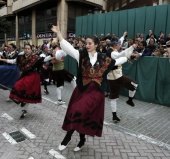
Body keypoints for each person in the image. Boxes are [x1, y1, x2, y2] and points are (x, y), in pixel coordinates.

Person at [50, 23, 135, 152]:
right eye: (86, 43)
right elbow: (68, 48)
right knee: (81, 115)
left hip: (95, 92)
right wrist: (59, 34)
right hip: (82, 90)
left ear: (96, 44)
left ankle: (67, 138)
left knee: (77, 111)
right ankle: (82, 140)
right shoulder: (81, 55)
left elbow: (117, 61)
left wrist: (127, 55)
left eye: (90, 43)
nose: (87, 45)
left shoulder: (103, 58)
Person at [0, 44, 44, 119]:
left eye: (28, 49)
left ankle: (24, 110)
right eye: (25, 48)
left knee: (28, 92)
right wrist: (2, 59)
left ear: (31, 49)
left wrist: (52, 56)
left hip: (33, 77)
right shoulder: (20, 57)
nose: (27, 50)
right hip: (24, 75)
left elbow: (44, 60)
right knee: (17, 86)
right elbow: (13, 61)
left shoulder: (36, 57)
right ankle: (21, 103)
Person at [106, 32, 138, 122]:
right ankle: (130, 100)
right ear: (115, 45)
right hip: (117, 77)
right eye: (119, 44)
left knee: (113, 97)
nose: (120, 45)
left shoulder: (113, 49)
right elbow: (118, 58)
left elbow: (120, 41)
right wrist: (131, 49)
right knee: (134, 85)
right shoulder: (111, 52)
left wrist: (123, 36)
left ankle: (114, 116)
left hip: (111, 78)